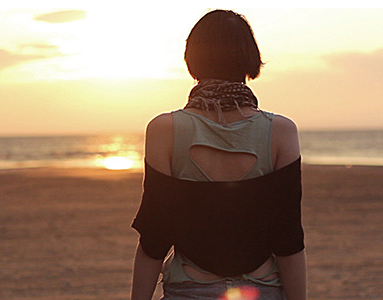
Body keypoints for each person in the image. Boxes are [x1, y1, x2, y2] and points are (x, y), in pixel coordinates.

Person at [131, 10, 306, 300]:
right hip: (261, 289)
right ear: (250, 57)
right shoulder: (281, 132)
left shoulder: (164, 129)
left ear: (192, 58)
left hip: (188, 290)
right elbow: (288, 238)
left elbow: (155, 236)